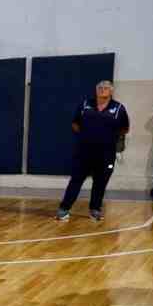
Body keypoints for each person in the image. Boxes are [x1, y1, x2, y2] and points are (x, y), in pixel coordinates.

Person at [57, 81, 130, 222]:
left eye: (106, 88)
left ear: (111, 91)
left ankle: (95, 210)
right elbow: (75, 124)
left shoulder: (119, 108)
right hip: (84, 151)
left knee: (100, 182)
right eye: (99, 88)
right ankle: (64, 209)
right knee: (76, 180)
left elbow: (124, 128)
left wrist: (111, 139)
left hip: (106, 153)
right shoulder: (85, 105)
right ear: (96, 90)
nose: (102, 90)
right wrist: (87, 136)